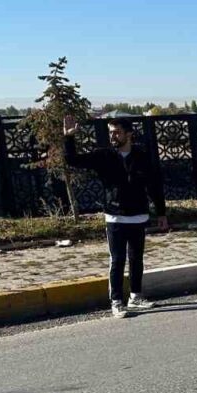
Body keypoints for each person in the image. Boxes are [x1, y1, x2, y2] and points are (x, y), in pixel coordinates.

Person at [62, 116, 167, 319]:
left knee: (137, 259)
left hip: (138, 216)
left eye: (117, 132)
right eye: (111, 132)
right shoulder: (104, 156)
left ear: (129, 134)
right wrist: (69, 139)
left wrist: (161, 213)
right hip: (115, 218)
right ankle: (117, 301)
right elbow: (73, 161)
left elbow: (154, 185)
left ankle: (136, 296)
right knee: (117, 260)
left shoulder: (142, 156)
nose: (113, 136)